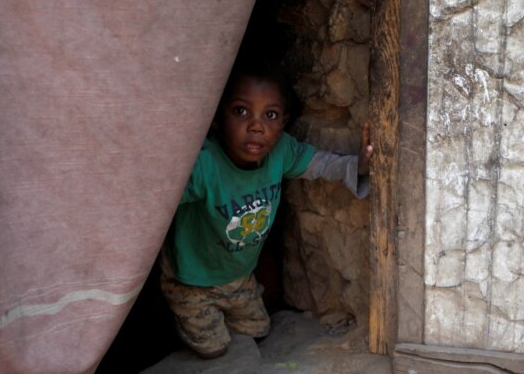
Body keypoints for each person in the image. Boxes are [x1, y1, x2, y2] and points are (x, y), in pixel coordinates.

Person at [160, 57, 373, 358]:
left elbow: (321, 164)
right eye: (241, 111)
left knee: (257, 332)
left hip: (239, 275)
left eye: (270, 114)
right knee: (214, 348)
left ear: (284, 121)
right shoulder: (202, 166)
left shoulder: (281, 151)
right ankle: (182, 316)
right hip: (191, 279)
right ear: (217, 117)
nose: (257, 126)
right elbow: (152, 205)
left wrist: (358, 165)